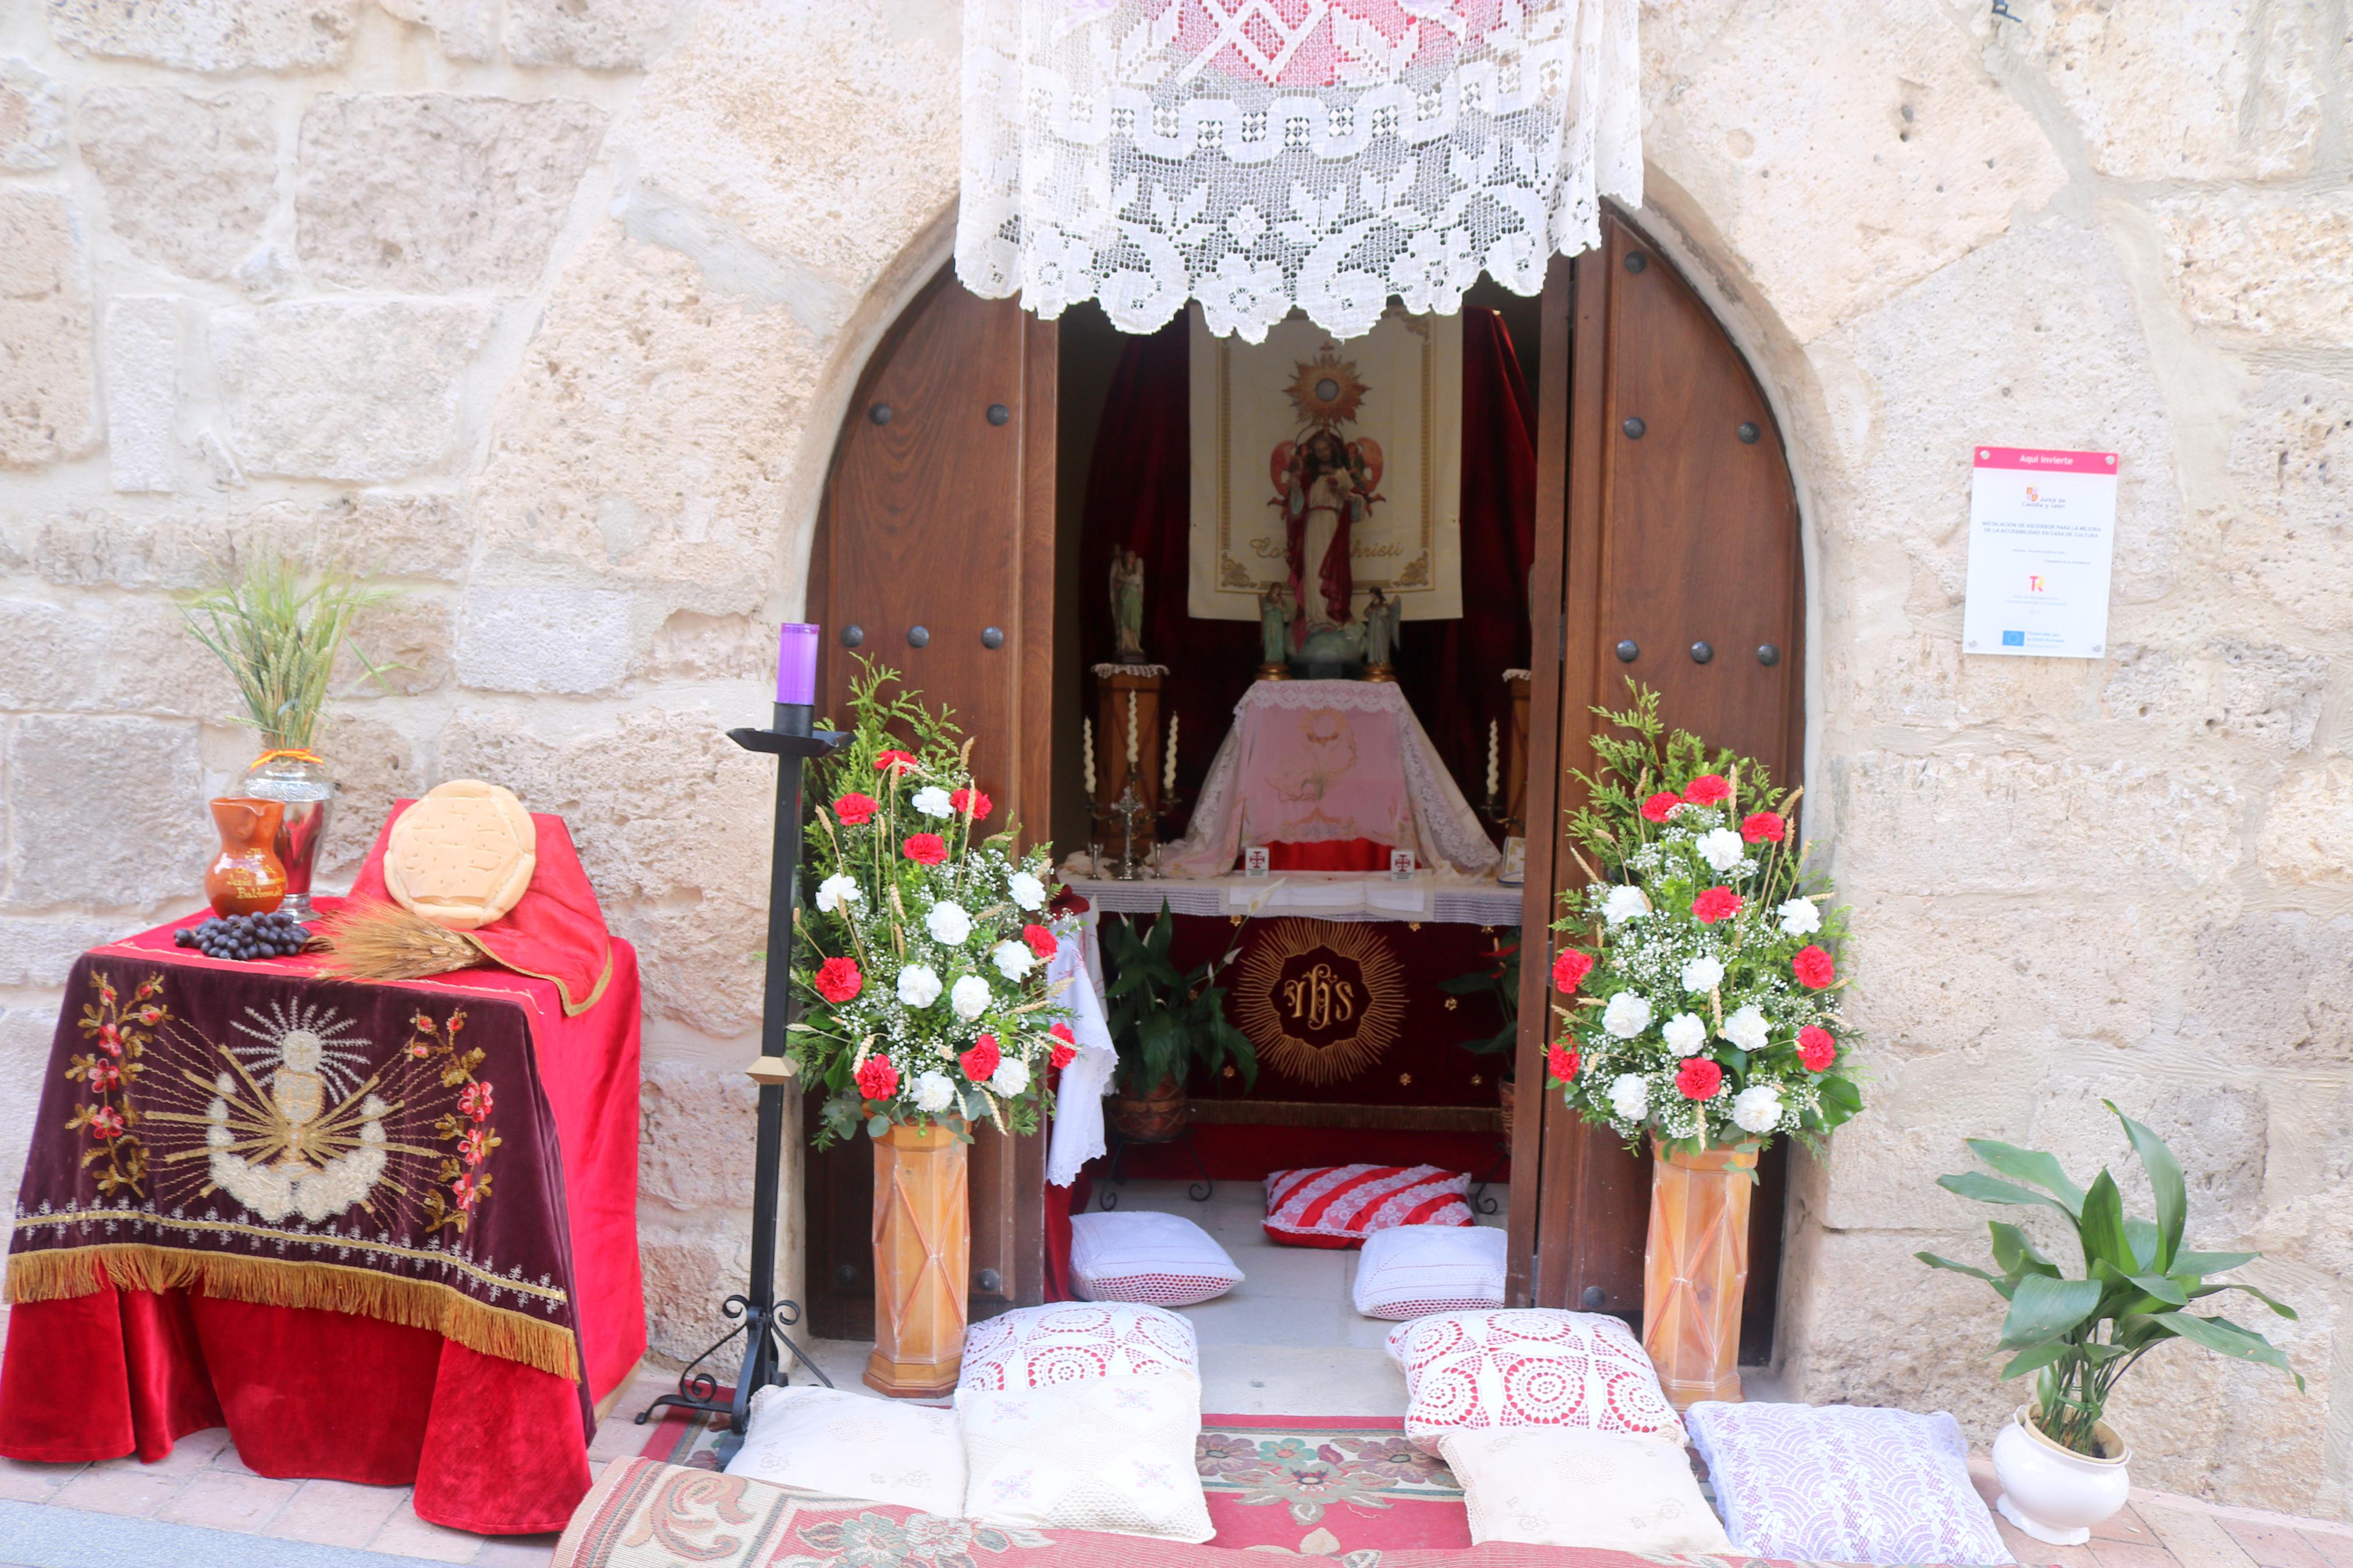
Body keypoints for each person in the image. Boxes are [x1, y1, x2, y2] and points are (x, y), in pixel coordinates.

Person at [1109, 546, 1147, 662]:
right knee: (1124, 621)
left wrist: (1125, 580)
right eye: (1130, 555)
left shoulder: (1136, 572)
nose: (1133, 558)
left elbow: (1137, 581)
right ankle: (1125, 645)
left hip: (1134, 599)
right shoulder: (1121, 571)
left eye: (1134, 556)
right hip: (1125, 599)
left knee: (1135, 620)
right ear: (1125, 558)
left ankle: (1135, 645)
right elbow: (1116, 585)